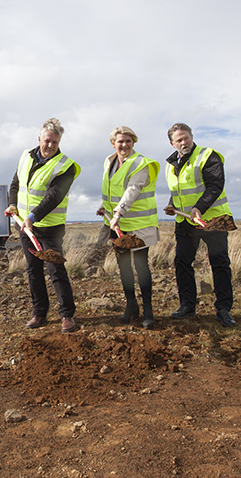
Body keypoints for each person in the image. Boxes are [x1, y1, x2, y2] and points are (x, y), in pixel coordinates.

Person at [7, 117, 81, 332]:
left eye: (54, 143)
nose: (49, 146)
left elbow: (54, 196)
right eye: (47, 141)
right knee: (33, 270)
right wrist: (13, 205)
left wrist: (33, 216)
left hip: (49, 227)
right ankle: (39, 313)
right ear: (39, 138)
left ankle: (67, 315)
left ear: (59, 143)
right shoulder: (25, 157)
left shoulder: (66, 166)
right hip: (25, 226)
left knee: (56, 269)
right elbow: (15, 184)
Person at [163, 123, 237, 327]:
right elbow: (177, 189)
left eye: (186, 137)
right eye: (179, 140)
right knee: (182, 262)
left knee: (219, 263)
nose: (184, 142)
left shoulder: (208, 156)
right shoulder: (170, 164)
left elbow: (215, 185)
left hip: (212, 220)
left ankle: (223, 309)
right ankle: (187, 305)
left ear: (192, 136)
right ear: (172, 143)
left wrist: (199, 208)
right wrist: (172, 205)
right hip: (185, 221)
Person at [96, 126, 160, 329]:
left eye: (128, 141)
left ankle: (148, 309)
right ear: (113, 143)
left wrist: (117, 213)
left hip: (139, 225)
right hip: (117, 224)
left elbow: (132, 190)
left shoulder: (141, 163)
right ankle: (131, 305)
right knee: (123, 266)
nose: (124, 145)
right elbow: (112, 188)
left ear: (134, 142)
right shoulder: (109, 161)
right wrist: (105, 207)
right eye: (120, 141)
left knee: (141, 266)